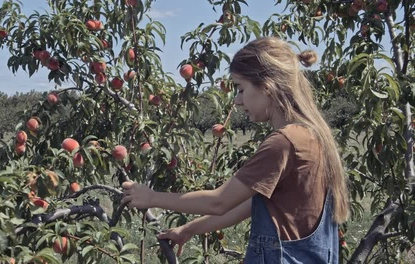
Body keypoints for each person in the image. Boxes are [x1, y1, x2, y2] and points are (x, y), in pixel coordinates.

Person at [121, 36, 349, 263]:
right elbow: (249, 205)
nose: (237, 101)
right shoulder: (313, 137)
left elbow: (219, 202)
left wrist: (151, 197)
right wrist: (189, 229)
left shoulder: (283, 143)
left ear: (267, 87)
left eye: (240, 89)